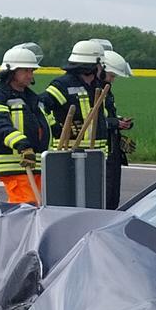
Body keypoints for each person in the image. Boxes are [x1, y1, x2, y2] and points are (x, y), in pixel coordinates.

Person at [0, 45, 49, 204]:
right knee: (26, 205)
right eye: (25, 70)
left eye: (31, 71)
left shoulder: (31, 98)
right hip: (14, 162)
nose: (30, 75)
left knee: (35, 207)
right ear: (11, 72)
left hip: (34, 163)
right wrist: (22, 145)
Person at [40, 41, 107, 150]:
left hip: (97, 153)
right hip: (69, 152)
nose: (103, 68)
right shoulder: (63, 85)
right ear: (91, 66)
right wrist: (58, 128)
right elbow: (40, 105)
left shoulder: (97, 86)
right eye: (101, 64)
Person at [95, 44, 136, 208]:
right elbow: (91, 120)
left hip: (111, 148)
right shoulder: (95, 90)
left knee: (112, 195)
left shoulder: (106, 90)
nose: (112, 79)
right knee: (105, 194)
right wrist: (115, 123)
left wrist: (120, 121)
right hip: (102, 150)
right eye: (111, 75)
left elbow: (104, 115)